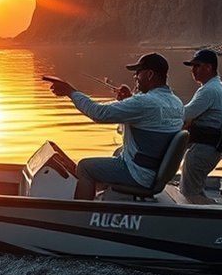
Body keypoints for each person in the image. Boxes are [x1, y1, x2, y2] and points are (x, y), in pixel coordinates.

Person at [48, 53, 184, 200]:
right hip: (153, 172)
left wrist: (70, 91)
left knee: (84, 167)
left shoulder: (145, 103)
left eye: (138, 72)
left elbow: (99, 113)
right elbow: (150, 118)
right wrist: (128, 100)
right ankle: (106, 201)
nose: (135, 76)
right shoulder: (176, 103)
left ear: (150, 74)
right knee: (117, 152)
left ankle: (83, 214)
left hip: (139, 175)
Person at [179, 49, 222, 203]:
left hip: (202, 150)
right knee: (195, 190)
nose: (193, 70)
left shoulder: (209, 90)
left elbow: (184, 115)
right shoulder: (217, 87)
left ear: (209, 67)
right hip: (208, 149)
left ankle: (216, 217)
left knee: (189, 195)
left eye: (197, 66)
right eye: (192, 66)